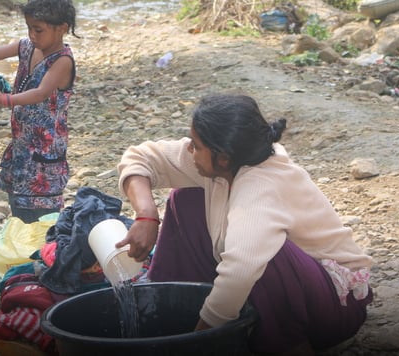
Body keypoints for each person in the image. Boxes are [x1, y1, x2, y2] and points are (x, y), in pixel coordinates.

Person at [115, 93, 373, 355]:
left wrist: (199, 340)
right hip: (277, 284)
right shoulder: (224, 162)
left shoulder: (260, 187)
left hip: (334, 305)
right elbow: (140, 157)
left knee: (265, 252)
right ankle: (173, 306)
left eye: (196, 145)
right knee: (186, 199)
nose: (189, 150)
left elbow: (240, 271)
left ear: (223, 157)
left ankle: (289, 344)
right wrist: (147, 215)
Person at [0, 0, 79, 223]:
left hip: (45, 154)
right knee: (18, 206)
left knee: (41, 217)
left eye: (38, 30)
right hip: (22, 147)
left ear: (62, 29)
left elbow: (40, 93)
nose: (32, 35)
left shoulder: (63, 61)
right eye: (29, 28)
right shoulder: (26, 48)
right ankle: (24, 248)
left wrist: (4, 99)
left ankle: (42, 252)